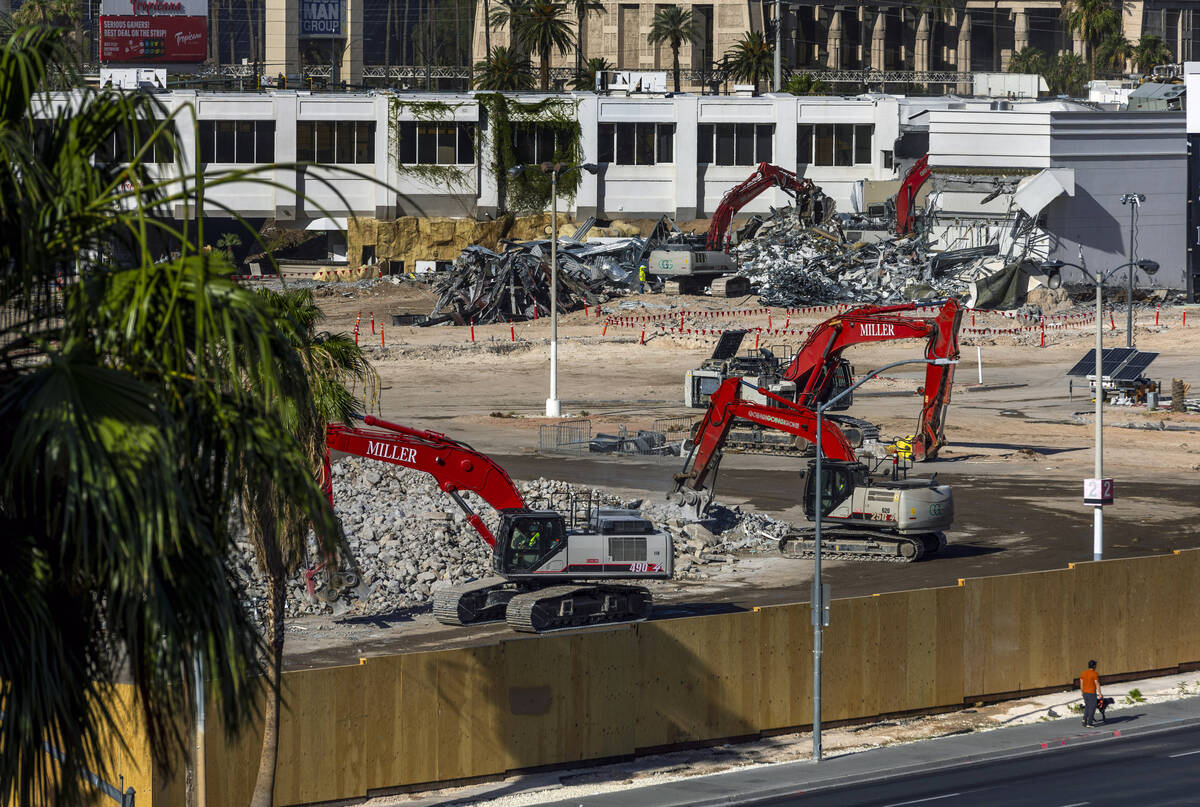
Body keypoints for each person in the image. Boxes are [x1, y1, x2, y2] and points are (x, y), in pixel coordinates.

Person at [1080, 659, 1103, 727]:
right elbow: (1097, 684)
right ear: (1094, 666)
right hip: (1091, 693)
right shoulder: (1094, 674)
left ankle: (1084, 720)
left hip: (1085, 693)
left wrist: (1082, 691)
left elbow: (1081, 682)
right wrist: (1099, 693)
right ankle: (1089, 723)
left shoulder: (1083, 673)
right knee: (1092, 708)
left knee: (1087, 706)